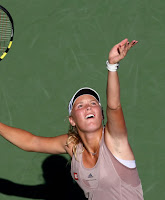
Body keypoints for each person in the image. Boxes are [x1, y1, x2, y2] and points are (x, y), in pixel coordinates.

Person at [0, 38, 143, 200]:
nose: (88, 107)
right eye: (80, 106)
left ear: (102, 114)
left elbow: (114, 106)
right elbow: (32, 142)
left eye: (93, 103)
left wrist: (112, 66)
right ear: (72, 120)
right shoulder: (73, 146)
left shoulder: (115, 141)